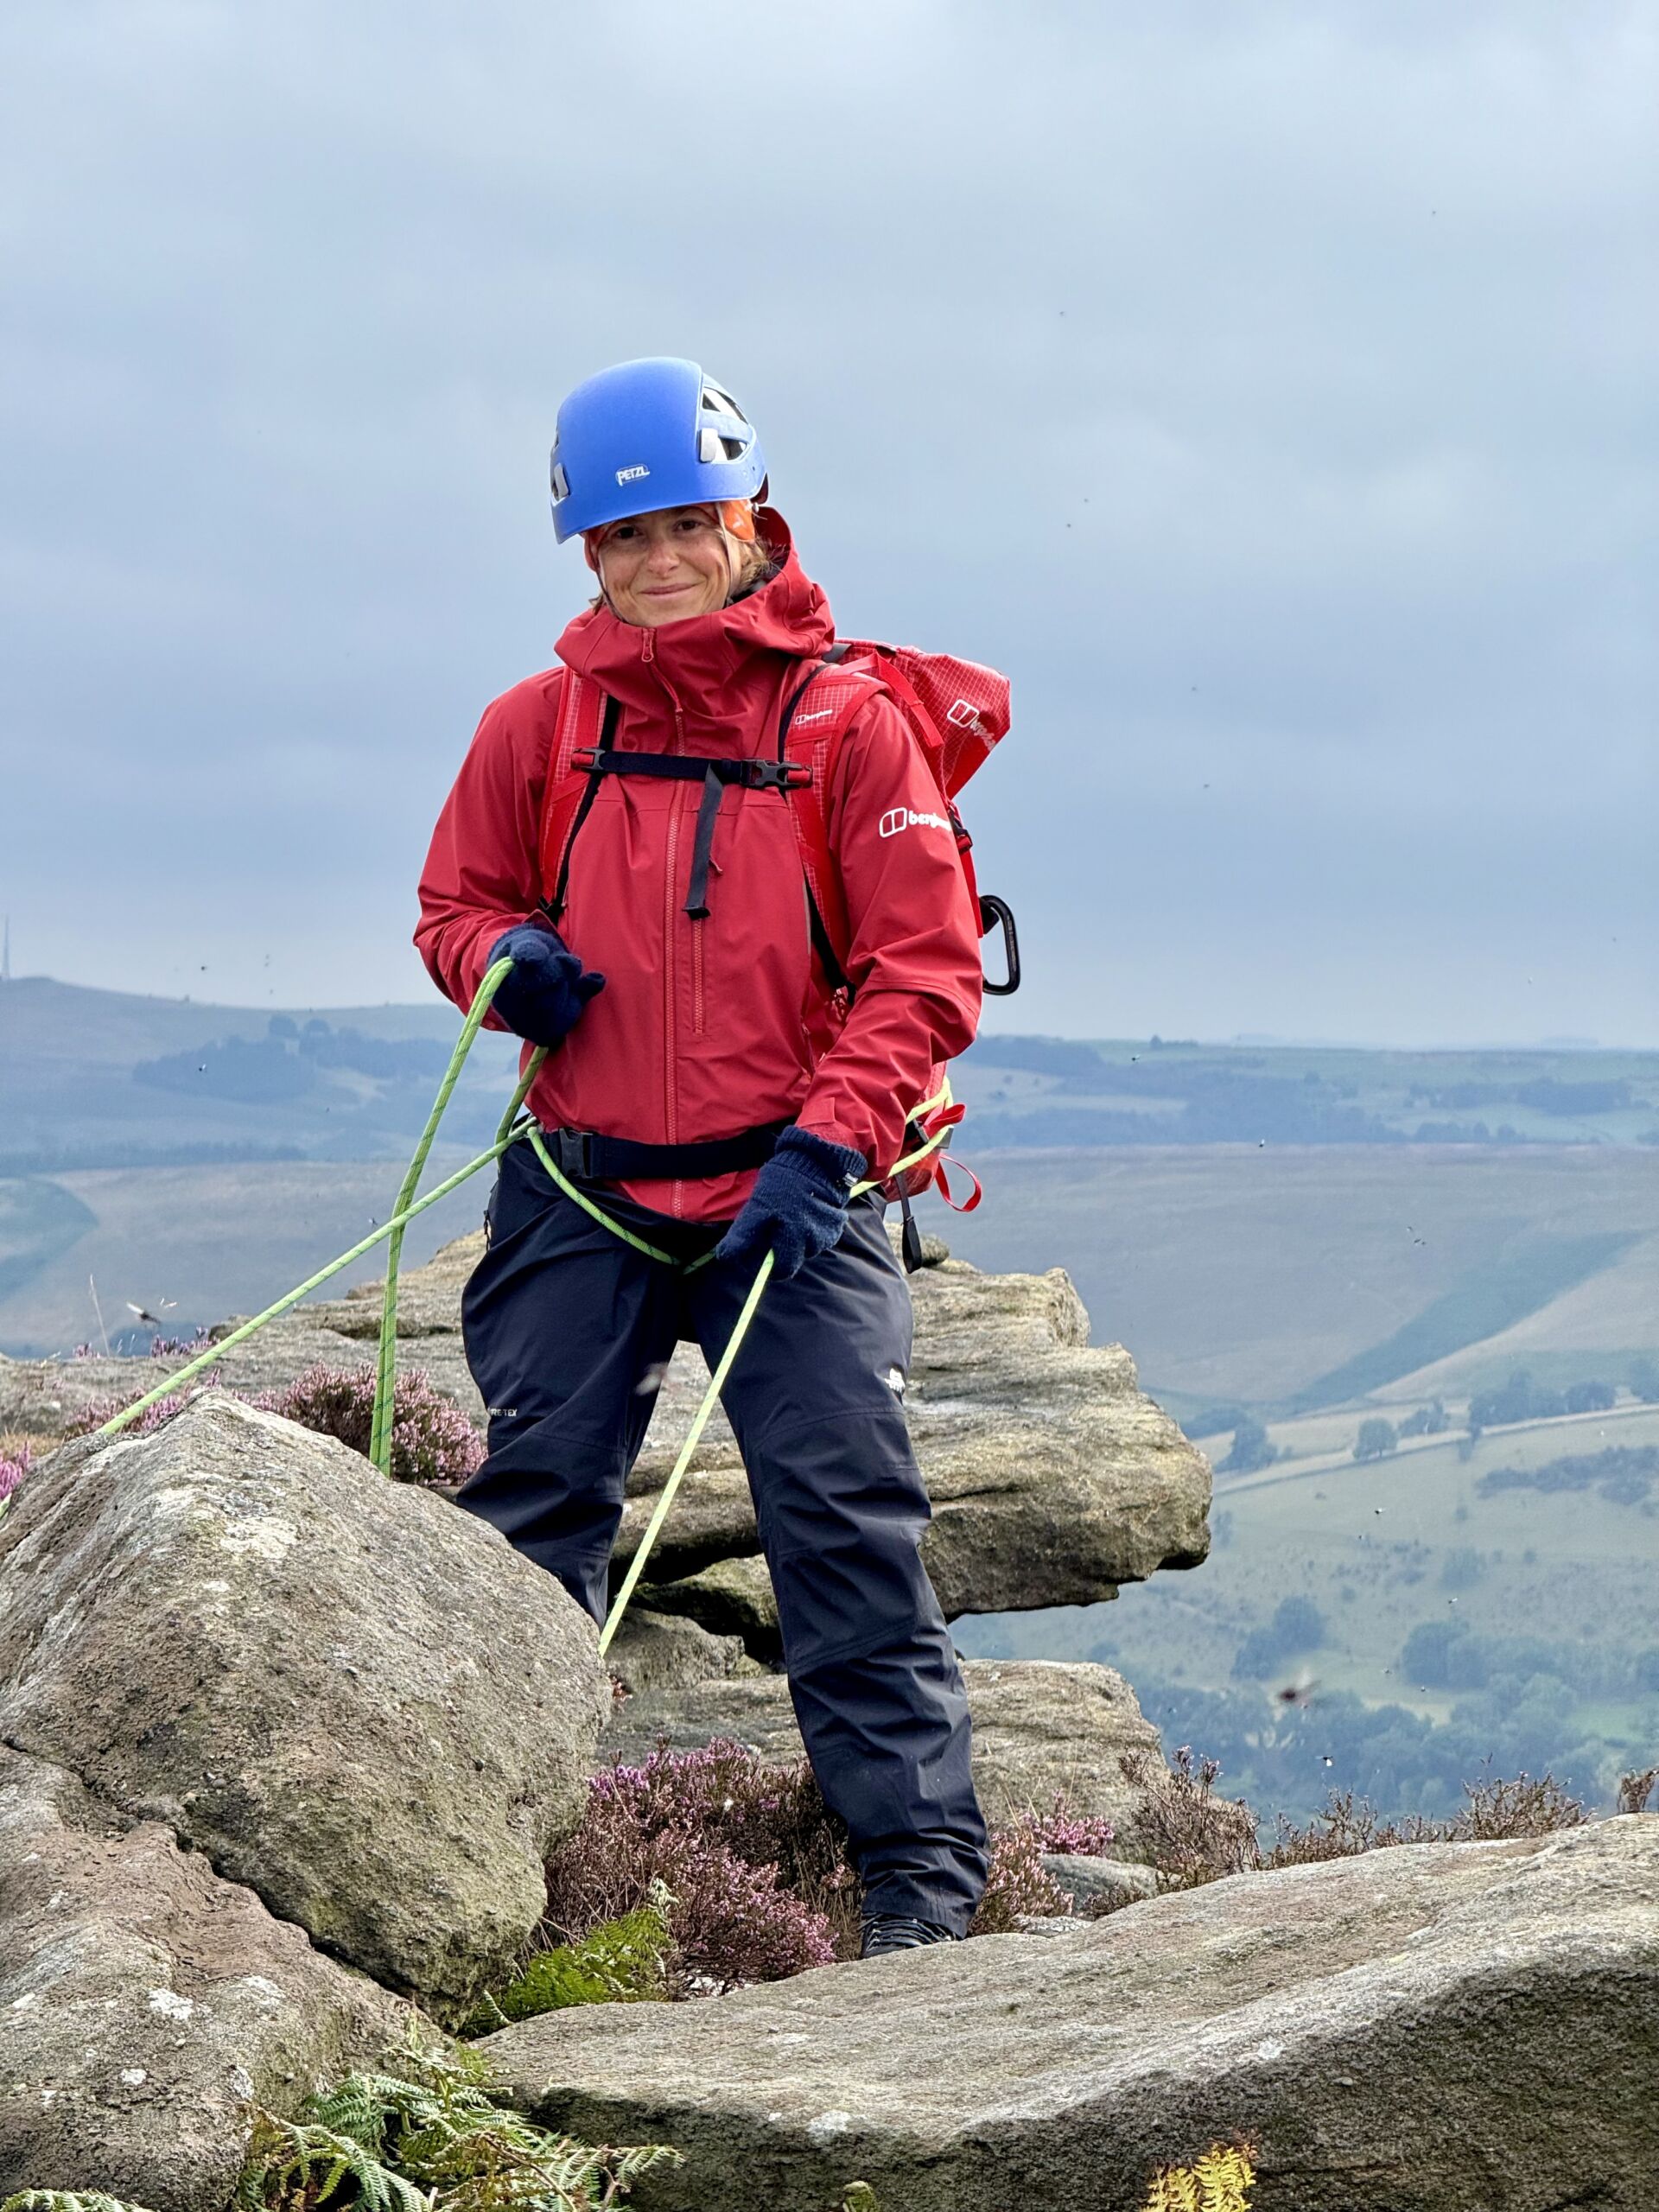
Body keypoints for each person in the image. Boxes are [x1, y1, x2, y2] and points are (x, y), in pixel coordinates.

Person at [415, 356, 989, 1955]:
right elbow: (452, 906)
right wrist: (497, 965)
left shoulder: (850, 728)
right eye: (619, 540)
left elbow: (926, 974)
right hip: (582, 1186)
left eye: (685, 523)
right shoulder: (537, 729)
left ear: (749, 518)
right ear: (583, 556)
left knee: (843, 1532)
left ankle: (921, 1901)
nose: (657, 560)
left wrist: (825, 1155)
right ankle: (464, 1874)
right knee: (531, 1526)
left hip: (794, 1197)